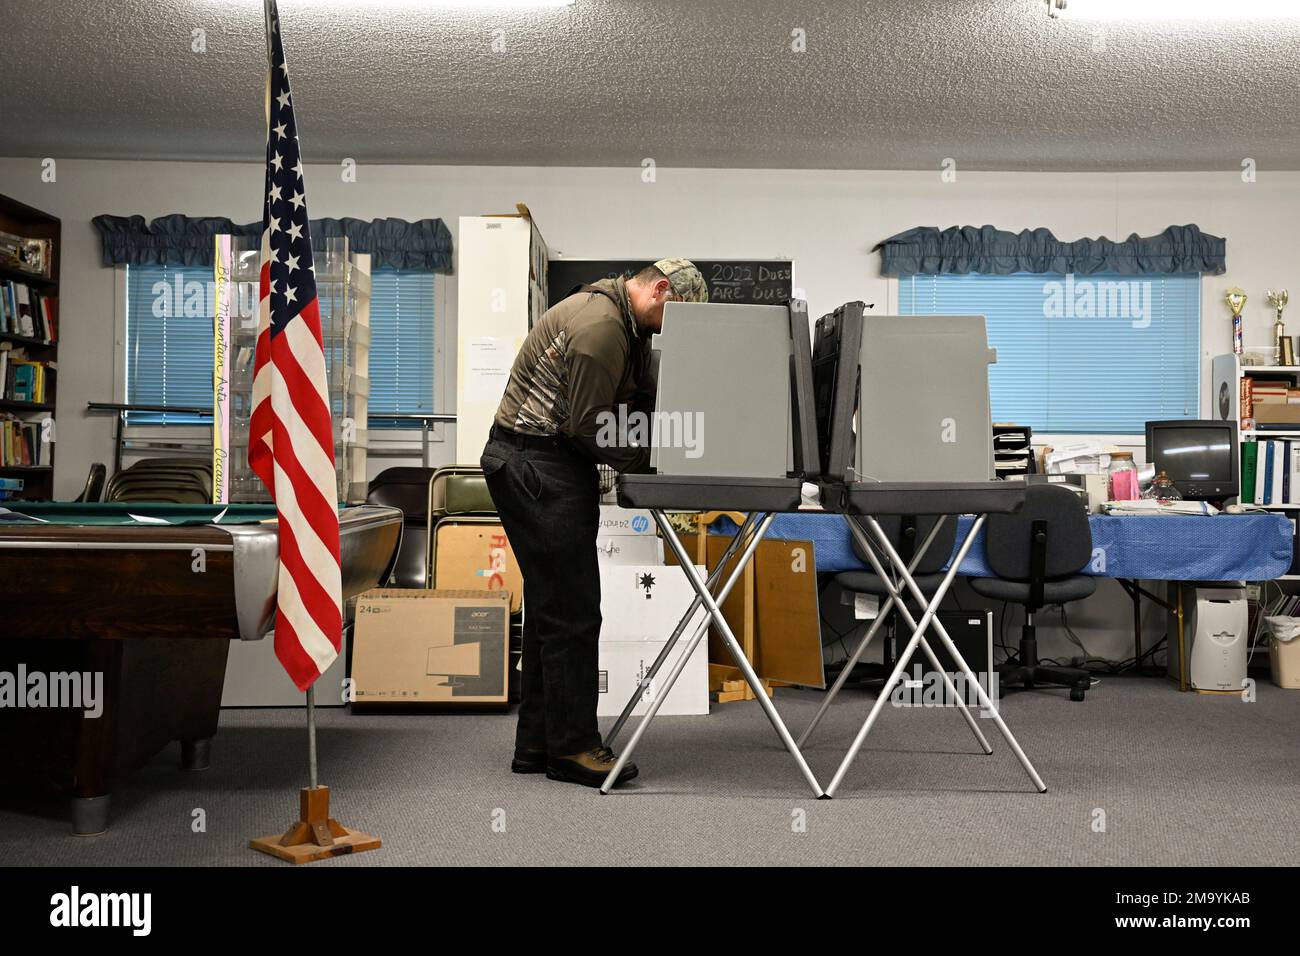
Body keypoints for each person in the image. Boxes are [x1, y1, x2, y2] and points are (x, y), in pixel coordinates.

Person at [481, 258, 708, 787]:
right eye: (676, 315)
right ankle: (574, 749)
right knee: (575, 613)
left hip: (537, 461)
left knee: (549, 610)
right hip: (537, 463)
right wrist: (651, 461)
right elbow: (589, 427)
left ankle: (537, 745)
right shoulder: (602, 325)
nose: (673, 330)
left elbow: (640, 397)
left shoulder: (628, 324)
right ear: (660, 290)